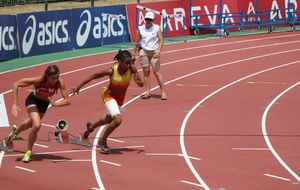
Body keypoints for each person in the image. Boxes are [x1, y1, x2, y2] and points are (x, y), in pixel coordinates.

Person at [70, 50, 144, 153]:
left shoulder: (132, 69)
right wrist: (79, 86)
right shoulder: (112, 71)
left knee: (108, 120)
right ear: (119, 61)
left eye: (130, 62)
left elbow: (141, 84)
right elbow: (93, 76)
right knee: (118, 120)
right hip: (109, 96)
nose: (129, 64)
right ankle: (103, 141)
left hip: (119, 100)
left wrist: (139, 81)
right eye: (127, 62)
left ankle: (90, 128)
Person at [8, 65, 70, 162]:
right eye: (53, 78)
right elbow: (16, 84)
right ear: (47, 76)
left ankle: (14, 132)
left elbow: (67, 101)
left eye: (57, 77)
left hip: (44, 104)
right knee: (37, 125)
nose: (55, 80)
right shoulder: (39, 80)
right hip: (32, 100)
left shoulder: (59, 82)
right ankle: (28, 152)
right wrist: (15, 103)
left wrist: (56, 104)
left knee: (31, 123)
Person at [133, 11, 167, 100]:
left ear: (153, 20)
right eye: (147, 19)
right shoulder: (140, 28)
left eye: (150, 19)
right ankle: (147, 92)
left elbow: (161, 40)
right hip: (144, 51)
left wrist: (159, 51)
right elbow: (138, 42)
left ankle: (163, 92)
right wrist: (134, 53)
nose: (148, 21)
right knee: (146, 72)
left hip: (154, 51)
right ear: (144, 19)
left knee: (156, 72)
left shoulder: (157, 28)